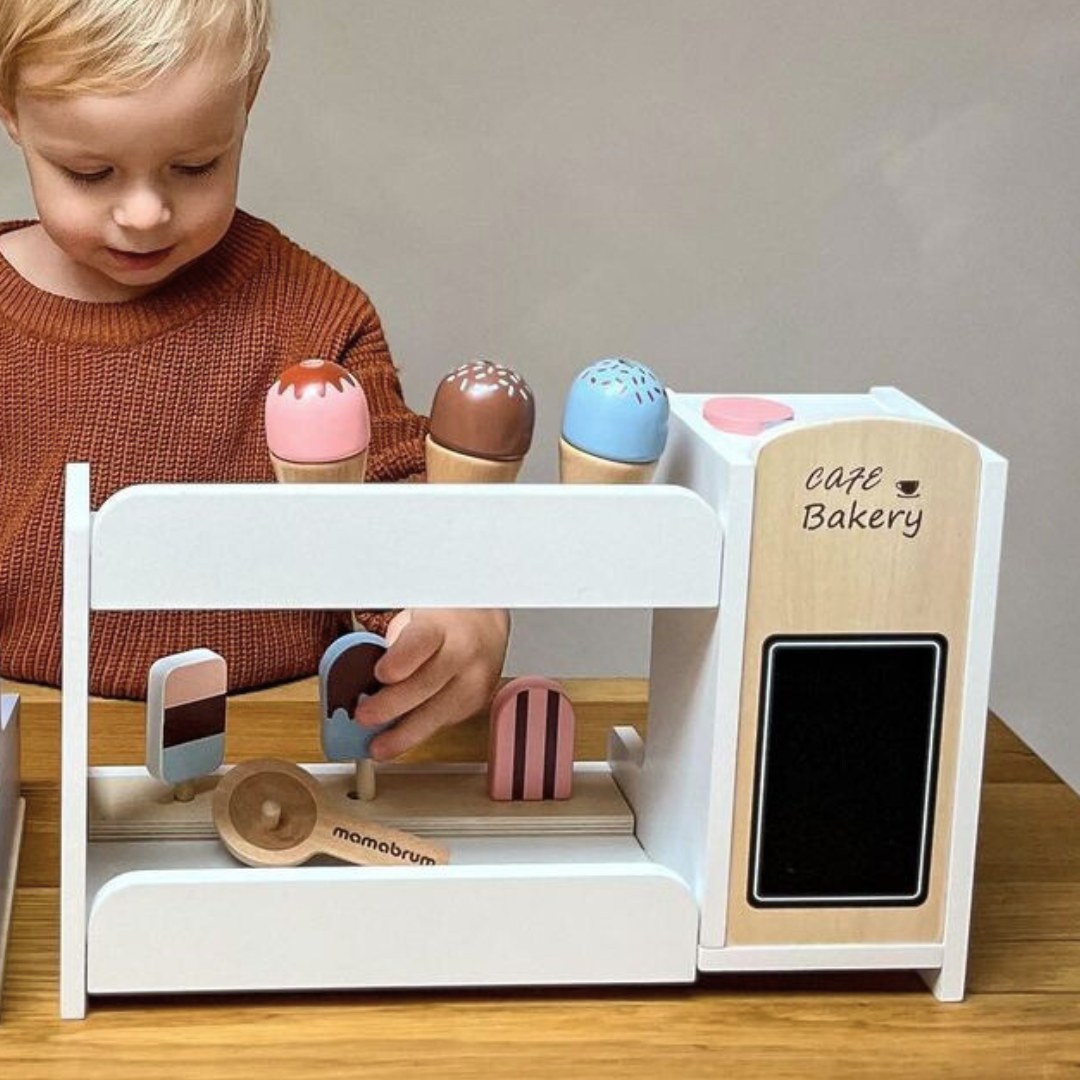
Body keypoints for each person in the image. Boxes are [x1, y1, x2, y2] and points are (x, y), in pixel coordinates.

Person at [0, 0, 509, 760]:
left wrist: (461, 610)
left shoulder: (317, 315)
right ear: (10, 109)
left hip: (279, 749)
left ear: (250, 95)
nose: (144, 213)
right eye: (89, 171)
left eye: (195, 165)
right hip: (29, 746)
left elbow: (406, 509)